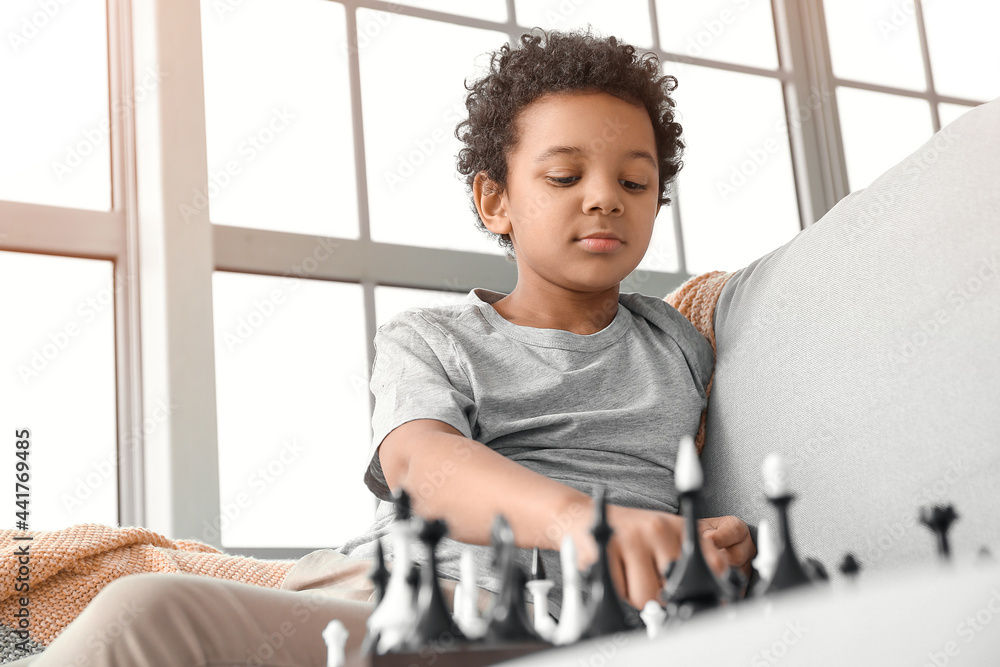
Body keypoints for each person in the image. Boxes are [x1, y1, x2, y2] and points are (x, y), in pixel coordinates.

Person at [21, 26, 754, 667]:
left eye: (635, 179)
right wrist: (589, 527)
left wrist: (712, 542)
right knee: (146, 611)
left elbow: (709, 494)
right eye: (565, 176)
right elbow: (422, 467)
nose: (605, 197)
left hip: (574, 621)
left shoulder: (680, 339)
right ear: (494, 200)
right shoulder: (436, 338)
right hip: (414, 595)